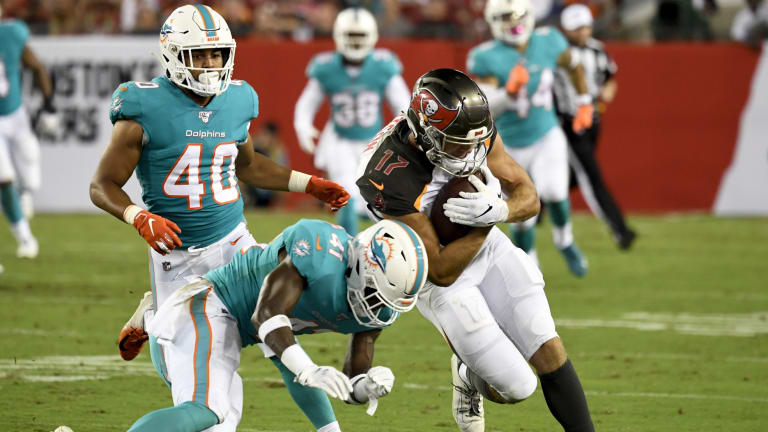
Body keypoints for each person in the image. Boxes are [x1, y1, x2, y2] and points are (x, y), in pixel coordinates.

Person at [89, 4, 349, 431]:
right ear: (173, 55)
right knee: (208, 416)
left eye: (217, 53)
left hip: (235, 244)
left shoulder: (239, 99)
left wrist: (309, 184)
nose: (211, 64)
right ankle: (156, 317)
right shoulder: (143, 106)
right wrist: (138, 216)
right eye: (199, 54)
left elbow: (247, 165)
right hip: (180, 260)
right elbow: (102, 184)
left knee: (279, 327)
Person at [356, 68, 594, 432]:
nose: (469, 151)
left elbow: (528, 197)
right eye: (456, 142)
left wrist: (502, 210)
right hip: (435, 276)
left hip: (488, 248)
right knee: (518, 387)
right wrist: (484, 223)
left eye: (472, 141)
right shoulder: (388, 173)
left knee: (548, 346)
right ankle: (469, 374)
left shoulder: (472, 128)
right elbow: (440, 269)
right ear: (426, 132)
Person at [125, 218, 428, 432]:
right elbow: (267, 315)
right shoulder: (321, 255)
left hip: (239, 328)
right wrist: (308, 369)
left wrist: (366, 388)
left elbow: (344, 384)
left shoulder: (379, 309)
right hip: (211, 304)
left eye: (386, 302)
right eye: (375, 294)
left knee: (220, 426)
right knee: (208, 409)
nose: (377, 307)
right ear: (361, 264)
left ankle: (152, 315)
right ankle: (154, 315)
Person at [467, 0, 591, 276]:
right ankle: (528, 262)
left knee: (555, 191)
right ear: (493, 21)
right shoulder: (485, 56)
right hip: (508, 143)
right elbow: (483, 106)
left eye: (517, 16)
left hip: (546, 132)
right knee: (520, 213)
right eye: (505, 18)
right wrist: (507, 94)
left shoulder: (549, 40)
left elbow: (574, 65)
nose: (513, 23)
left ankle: (565, 240)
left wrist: (584, 101)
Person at [294, 7, 411, 236]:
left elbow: (403, 104)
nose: (356, 42)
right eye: (351, 35)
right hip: (340, 140)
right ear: (339, 35)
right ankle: (348, 245)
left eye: (360, 36)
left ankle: (385, 242)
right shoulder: (327, 67)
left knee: (378, 197)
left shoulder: (383, 65)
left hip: (374, 140)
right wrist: (302, 125)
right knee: (346, 193)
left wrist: (406, 130)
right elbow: (307, 103)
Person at [554, 3, 636, 250]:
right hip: (568, 122)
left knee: (572, 177)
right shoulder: (557, 51)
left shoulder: (597, 50)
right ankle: (620, 229)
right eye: (577, 28)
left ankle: (536, 205)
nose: (583, 32)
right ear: (566, 29)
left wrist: (607, 91)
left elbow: (610, 78)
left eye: (586, 27)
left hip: (593, 120)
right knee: (591, 175)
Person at [0, 5, 56, 258]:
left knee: (30, 162)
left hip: (15, 113)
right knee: (4, 178)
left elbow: (37, 67)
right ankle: (24, 237)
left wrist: (49, 105)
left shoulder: (12, 33)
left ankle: (26, 195)